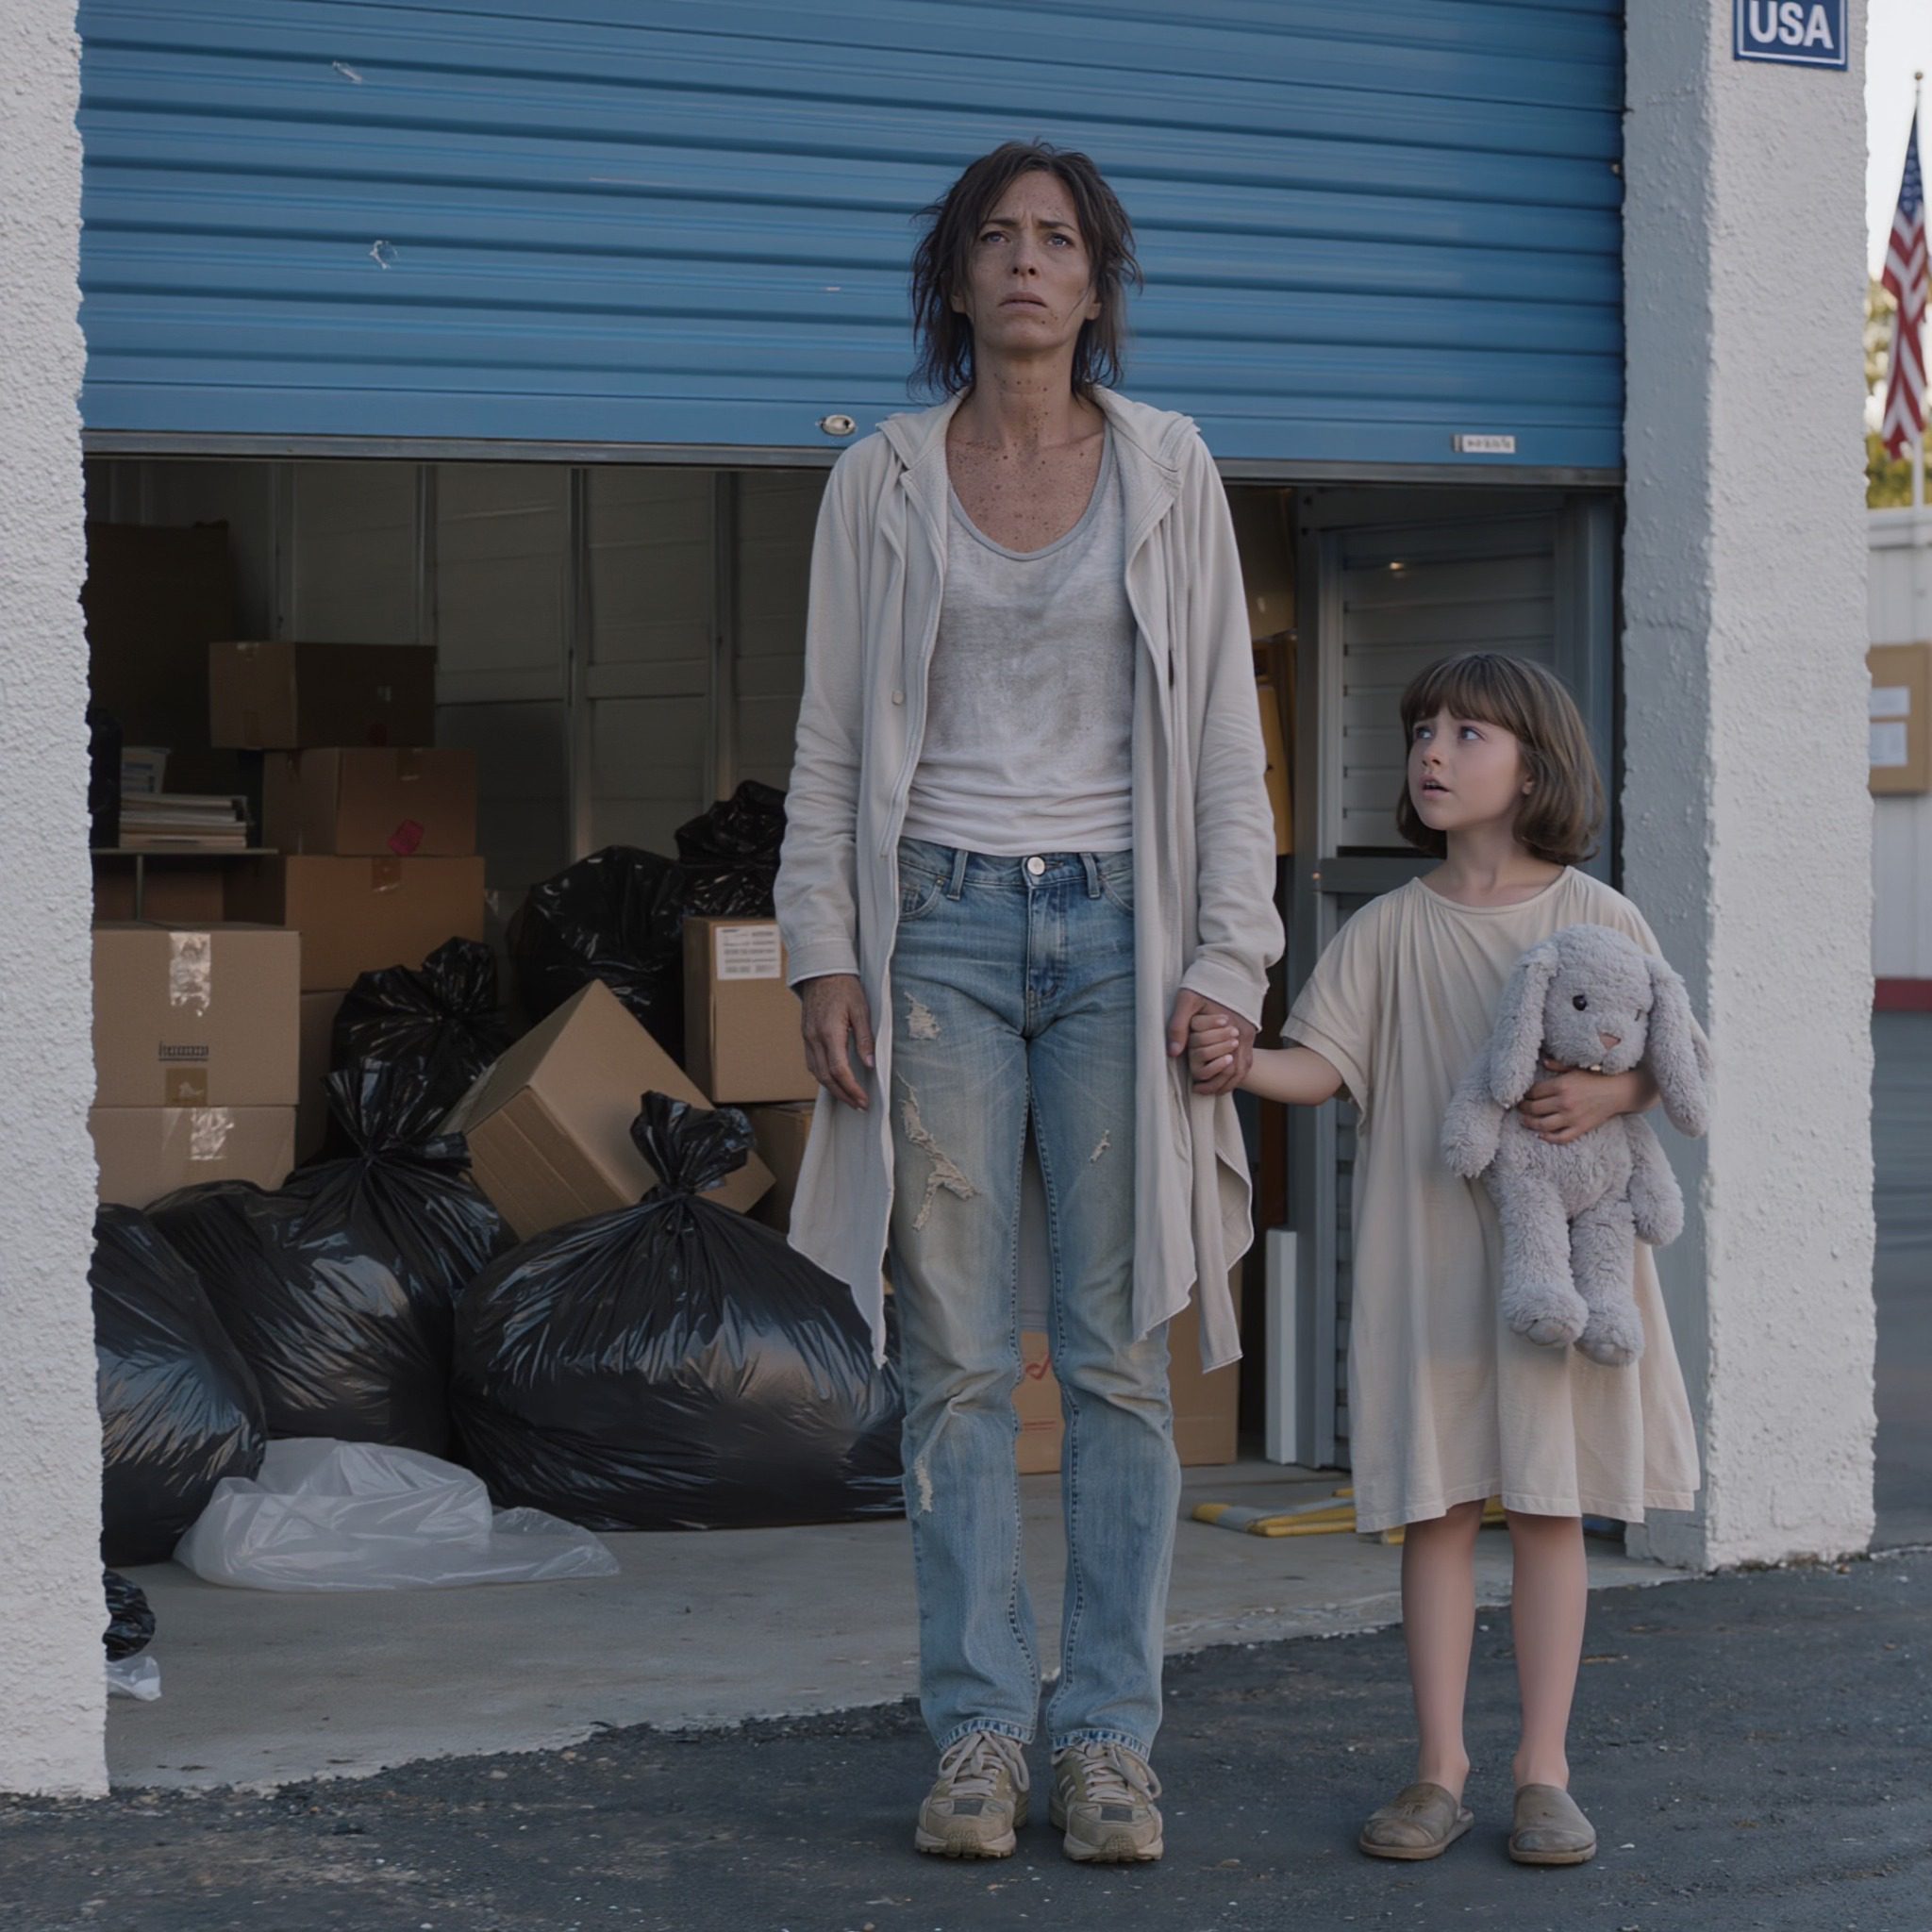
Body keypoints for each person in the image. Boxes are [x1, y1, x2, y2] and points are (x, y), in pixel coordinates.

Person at [774, 140, 1281, 1864]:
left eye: (1058, 238)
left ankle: (1111, 1740)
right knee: (956, 1359)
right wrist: (821, 946)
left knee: (1120, 1358)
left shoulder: (1169, 470)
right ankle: (982, 1729)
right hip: (940, 937)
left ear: (1097, 278)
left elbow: (1226, 740)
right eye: (994, 236)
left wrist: (1228, 960)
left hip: (1126, 937)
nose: (1025, 262)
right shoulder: (883, 482)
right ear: (955, 275)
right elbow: (828, 737)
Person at [1189, 652, 1701, 1868]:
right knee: (1438, 1509)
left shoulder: (1602, 918)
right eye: (1424, 727)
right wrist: (1238, 1061)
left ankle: (1544, 1773)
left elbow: (1679, 1063)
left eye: (1469, 733)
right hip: (1429, 1265)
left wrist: (1613, 1090)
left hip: (1561, 1278)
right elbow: (1321, 1065)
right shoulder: (1387, 928)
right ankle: (1439, 1770)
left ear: (1535, 766)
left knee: (1550, 1507)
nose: (1433, 749)